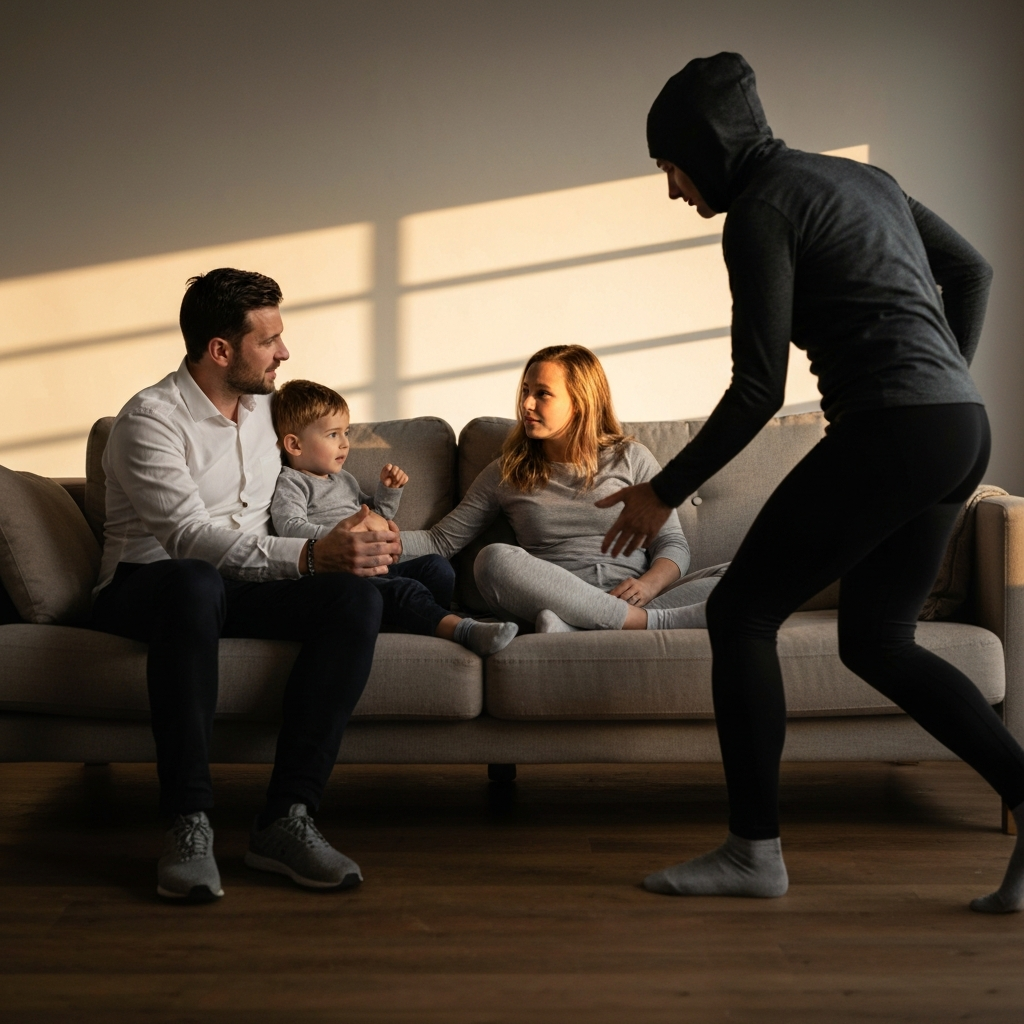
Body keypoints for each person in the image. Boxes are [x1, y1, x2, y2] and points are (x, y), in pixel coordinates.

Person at [597, 52, 1024, 913]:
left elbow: (758, 390)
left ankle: (754, 853)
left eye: (672, 165)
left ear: (709, 148)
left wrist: (662, 490)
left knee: (740, 612)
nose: (674, 189)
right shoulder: (863, 181)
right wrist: (940, 380)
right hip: (959, 425)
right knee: (876, 639)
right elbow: (972, 270)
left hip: (896, 430)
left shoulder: (758, 211)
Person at [91, 268, 402, 902]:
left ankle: (286, 818)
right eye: (270, 341)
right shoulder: (149, 420)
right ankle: (189, 822)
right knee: (195, 582)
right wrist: (313, 556)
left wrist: (357, 535)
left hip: (237, 584)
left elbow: (310, 485)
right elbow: (189, 540)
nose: (285, 353)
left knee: (355, 597)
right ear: (221, 350)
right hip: (148, 585)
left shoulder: (265, 411)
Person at [398, 344, 728, 631]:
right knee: (492, 559)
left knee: (741, 572)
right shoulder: (508, 471)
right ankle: (647, 622)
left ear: (580, 401)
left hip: (630, 593)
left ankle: (577, 627)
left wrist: (647, 586)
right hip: (554, 597)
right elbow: (440, 540)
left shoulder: (631, 458)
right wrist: (379, 539)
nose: (526, 404)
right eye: (525, 391)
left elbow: (672, 543)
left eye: (542, 393)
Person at [269, 379, 518, 656]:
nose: (345, 444)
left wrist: (388, 491)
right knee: (404, 589)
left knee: (437, 567)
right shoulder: (292, 483)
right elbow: (288, 527)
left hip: (373, 567)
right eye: (332, 435)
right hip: (339, 575)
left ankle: (420, 618)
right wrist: (342, 537)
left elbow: (376, 516)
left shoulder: (344, 479)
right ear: (294, 445)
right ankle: (461, 629)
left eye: (346, 433)